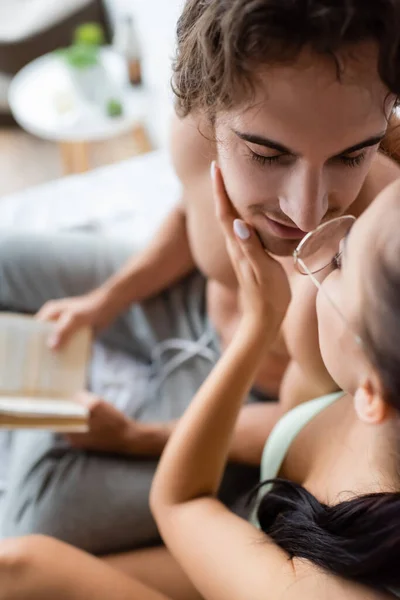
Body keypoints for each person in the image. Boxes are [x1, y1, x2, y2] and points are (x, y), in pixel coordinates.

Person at [1, 0, 400, 556]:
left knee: (36, 523)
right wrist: (103, 301)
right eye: (266, 155)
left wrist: (135, 439)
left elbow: (300, 430)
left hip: (241, 404)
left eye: (351, 156)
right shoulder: (194, 133)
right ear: (207, 116)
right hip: (191, 302)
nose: (307, 213)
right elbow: (196, 218)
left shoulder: (365, 266)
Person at [1, 145, 400, 600]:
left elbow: (181, 500)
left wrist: (259, 325)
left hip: (249, 548)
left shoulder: (322, 591)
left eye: (344, 259)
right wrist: (136, 436)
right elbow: (288, 428)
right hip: (253, 533)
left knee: (25, 549)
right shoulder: (359, 383)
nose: (317, 248)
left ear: (372, 394)